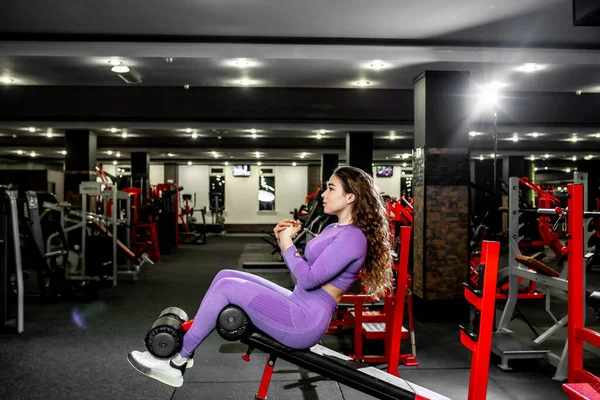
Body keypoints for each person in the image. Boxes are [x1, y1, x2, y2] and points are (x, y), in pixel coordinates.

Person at [127, 166, 393, 387]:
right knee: (225, 275)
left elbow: (309, 279)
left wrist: (288, 244)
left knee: (228, 288)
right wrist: (284, 238)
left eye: (331, 188)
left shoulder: (353, 238)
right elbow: (308, 264)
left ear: (351, 197)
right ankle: (187, 349)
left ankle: (177, 362)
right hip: (299, 302)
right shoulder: (336, 227)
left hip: (306, 320)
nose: (323, 194)